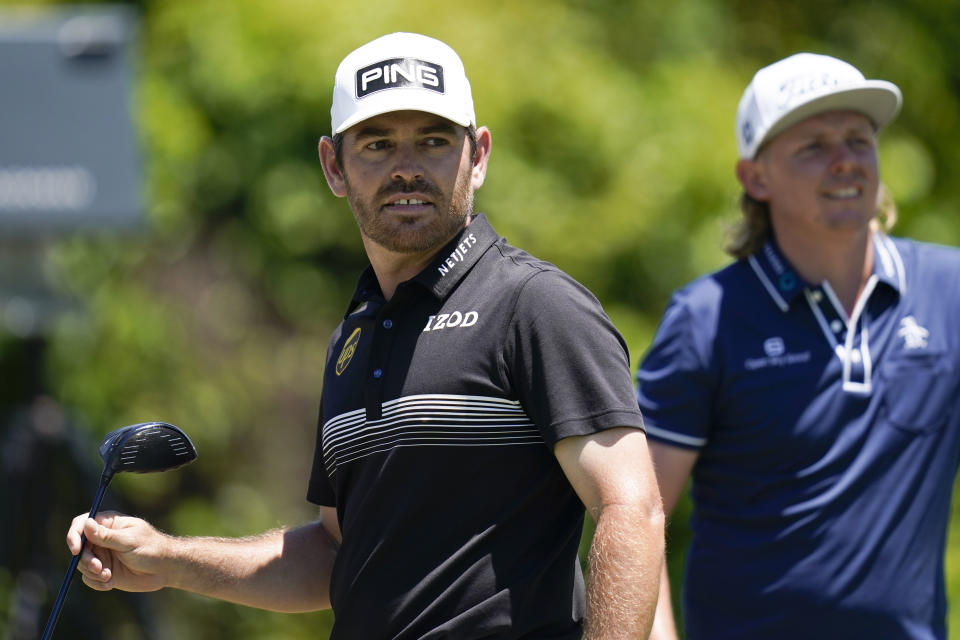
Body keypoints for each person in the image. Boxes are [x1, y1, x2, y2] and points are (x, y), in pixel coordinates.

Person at [65, 32, 665, 639]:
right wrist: (170, 559)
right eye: (378, 144)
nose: (407, 167)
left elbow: (631, 509)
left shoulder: (535, 305)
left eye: (433, 141)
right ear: (333, 166)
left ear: (478, 156)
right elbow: (334, 552)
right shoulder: (351, 340)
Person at [637, 51, 960, 640]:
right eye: (813, 146)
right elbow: (634, 518)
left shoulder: (949, 290)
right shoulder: (706, 318)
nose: (845, 162)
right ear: (755, 177)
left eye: (858, 140)